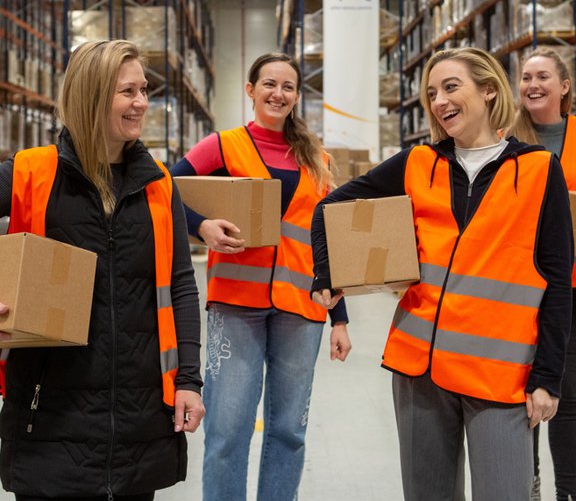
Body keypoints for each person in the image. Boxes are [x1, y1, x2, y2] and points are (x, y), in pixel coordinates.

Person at [310, 47, 573, 501]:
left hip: (499, 375)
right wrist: (328, 274)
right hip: (419, 371)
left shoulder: (536, 170)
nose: (439, 101)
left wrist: (548, 377)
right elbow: (329, 207)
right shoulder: (419, 163)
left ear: (489, 89)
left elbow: (556, 282)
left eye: (451, 87)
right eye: (432, 93)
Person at [0, 40, 205, 501]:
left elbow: (181, 286)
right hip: (51, 416)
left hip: (140, 418)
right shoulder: (31, 173)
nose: (141, 103)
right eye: (126, 91)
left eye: (143, 90)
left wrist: (189, 379)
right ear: (92, 95)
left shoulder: (159, 185)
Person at [171, 51, 352, 501]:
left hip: (302, 309)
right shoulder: (223, 145)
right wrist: (202, 226)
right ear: (251, 91)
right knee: (228, 432)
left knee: (289, 430)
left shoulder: (317, 159)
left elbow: (330, 242)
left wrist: (341, 318)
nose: (279, 93)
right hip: (236, 305)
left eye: (288, 87)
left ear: (296, 96)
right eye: (269, 84)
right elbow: (166, 192)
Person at [509, 46, 576, 501]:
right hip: (520, 285)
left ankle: (569, 490)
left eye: (543, 77)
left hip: (573, 286)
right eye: (527, 77)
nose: (533, 84)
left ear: (564, 86)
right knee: (520, 395)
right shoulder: (506, 138)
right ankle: (526, 485)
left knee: (569, 397)